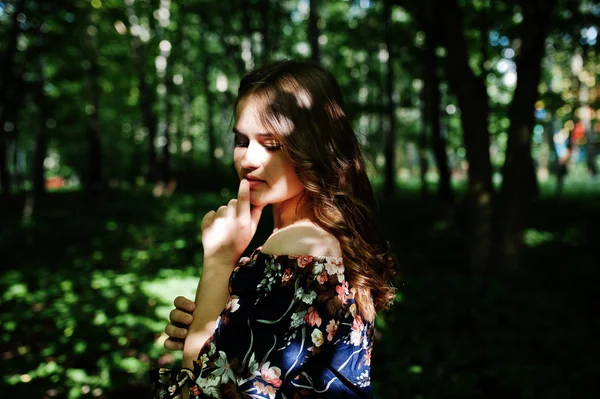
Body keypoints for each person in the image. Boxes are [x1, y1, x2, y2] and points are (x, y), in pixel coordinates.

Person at [150, 60, 397, 398]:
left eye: (272, 144)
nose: (249, 160)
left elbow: (204, 391)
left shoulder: (299, 248)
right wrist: (207, 326)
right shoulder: (327, 237)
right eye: (241, 140)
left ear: (313, 148)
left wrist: (219, 263)